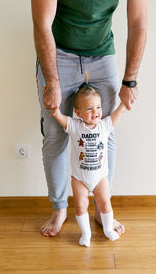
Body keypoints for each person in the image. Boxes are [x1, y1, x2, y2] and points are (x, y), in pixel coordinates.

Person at [30, 0, 149, 237]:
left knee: (105, 132)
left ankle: (102, 207)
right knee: (55, 132)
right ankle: (60, 208)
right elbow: (41, 23)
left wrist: (129, 81)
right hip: (59, 51)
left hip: (102, 51)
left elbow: (138, 24)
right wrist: (52, 81)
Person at [51, 83, 127, 246]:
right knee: (80, 206)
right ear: (78, 112)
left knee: (105, 203)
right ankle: (86, 234)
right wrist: (54, 109)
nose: (95, 112)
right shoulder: (74, 126)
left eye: (98, 107)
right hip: (79, 178)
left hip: (100, 177)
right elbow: (60, 117)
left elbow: (119, 112)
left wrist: (125, 102)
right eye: (89, 109)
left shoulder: (104, 125)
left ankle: (108, 229)